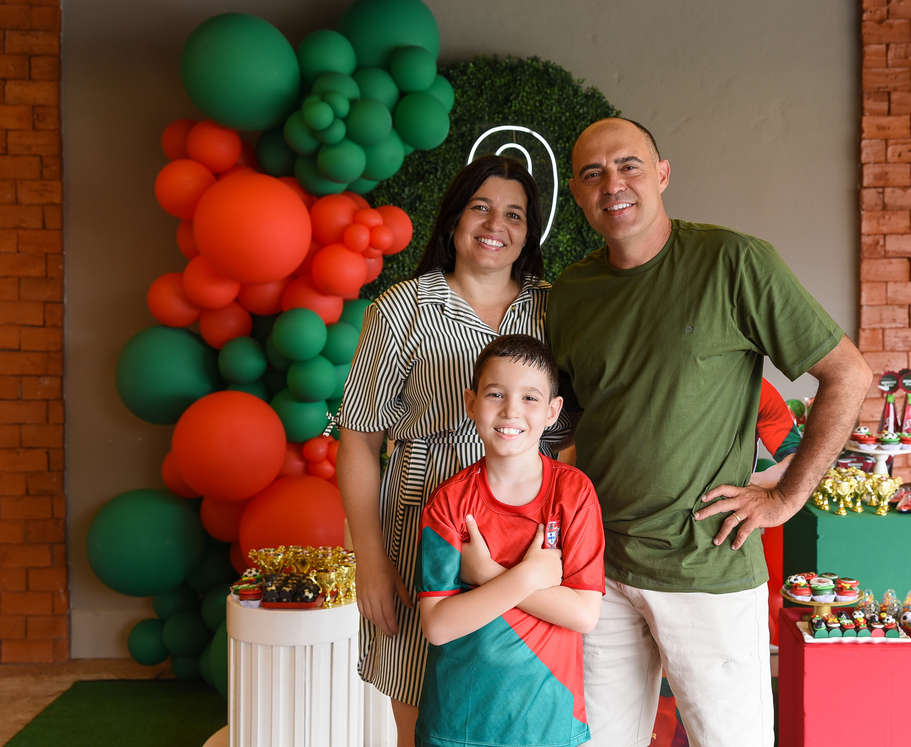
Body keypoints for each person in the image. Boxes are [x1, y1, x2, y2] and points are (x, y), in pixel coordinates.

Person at [546, 117, 872, 747]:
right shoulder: (573, 293)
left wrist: (786, 497)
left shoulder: (733, 262)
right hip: (600, 569)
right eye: (592, 173)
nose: (613, 183)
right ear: (579, 195)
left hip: (707, 565)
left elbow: (848, 374)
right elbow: (574, 419)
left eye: (629, 165)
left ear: (662, 174)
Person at [336, 155, 562, 747]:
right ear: (454, 218)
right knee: (424, 708)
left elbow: (570, 436)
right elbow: (358, 439)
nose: (495, 225)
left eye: (514, 214)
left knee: (520, 706)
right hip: (421, 535)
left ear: (529, 233)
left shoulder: (555, 308)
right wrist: (370, 560)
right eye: (480, 207)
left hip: (524, 538)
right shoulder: (401, 310)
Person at [416, 334, 604, 747]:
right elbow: (438, 626)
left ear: (553, 411)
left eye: (530, 398)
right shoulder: (449, 501)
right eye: (495, 394)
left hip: (548, 723)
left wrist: (487, 573)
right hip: (458, 726)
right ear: (471, 403)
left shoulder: (573, 493)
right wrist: (528, 577)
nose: (511, 410)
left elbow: (583, 614)